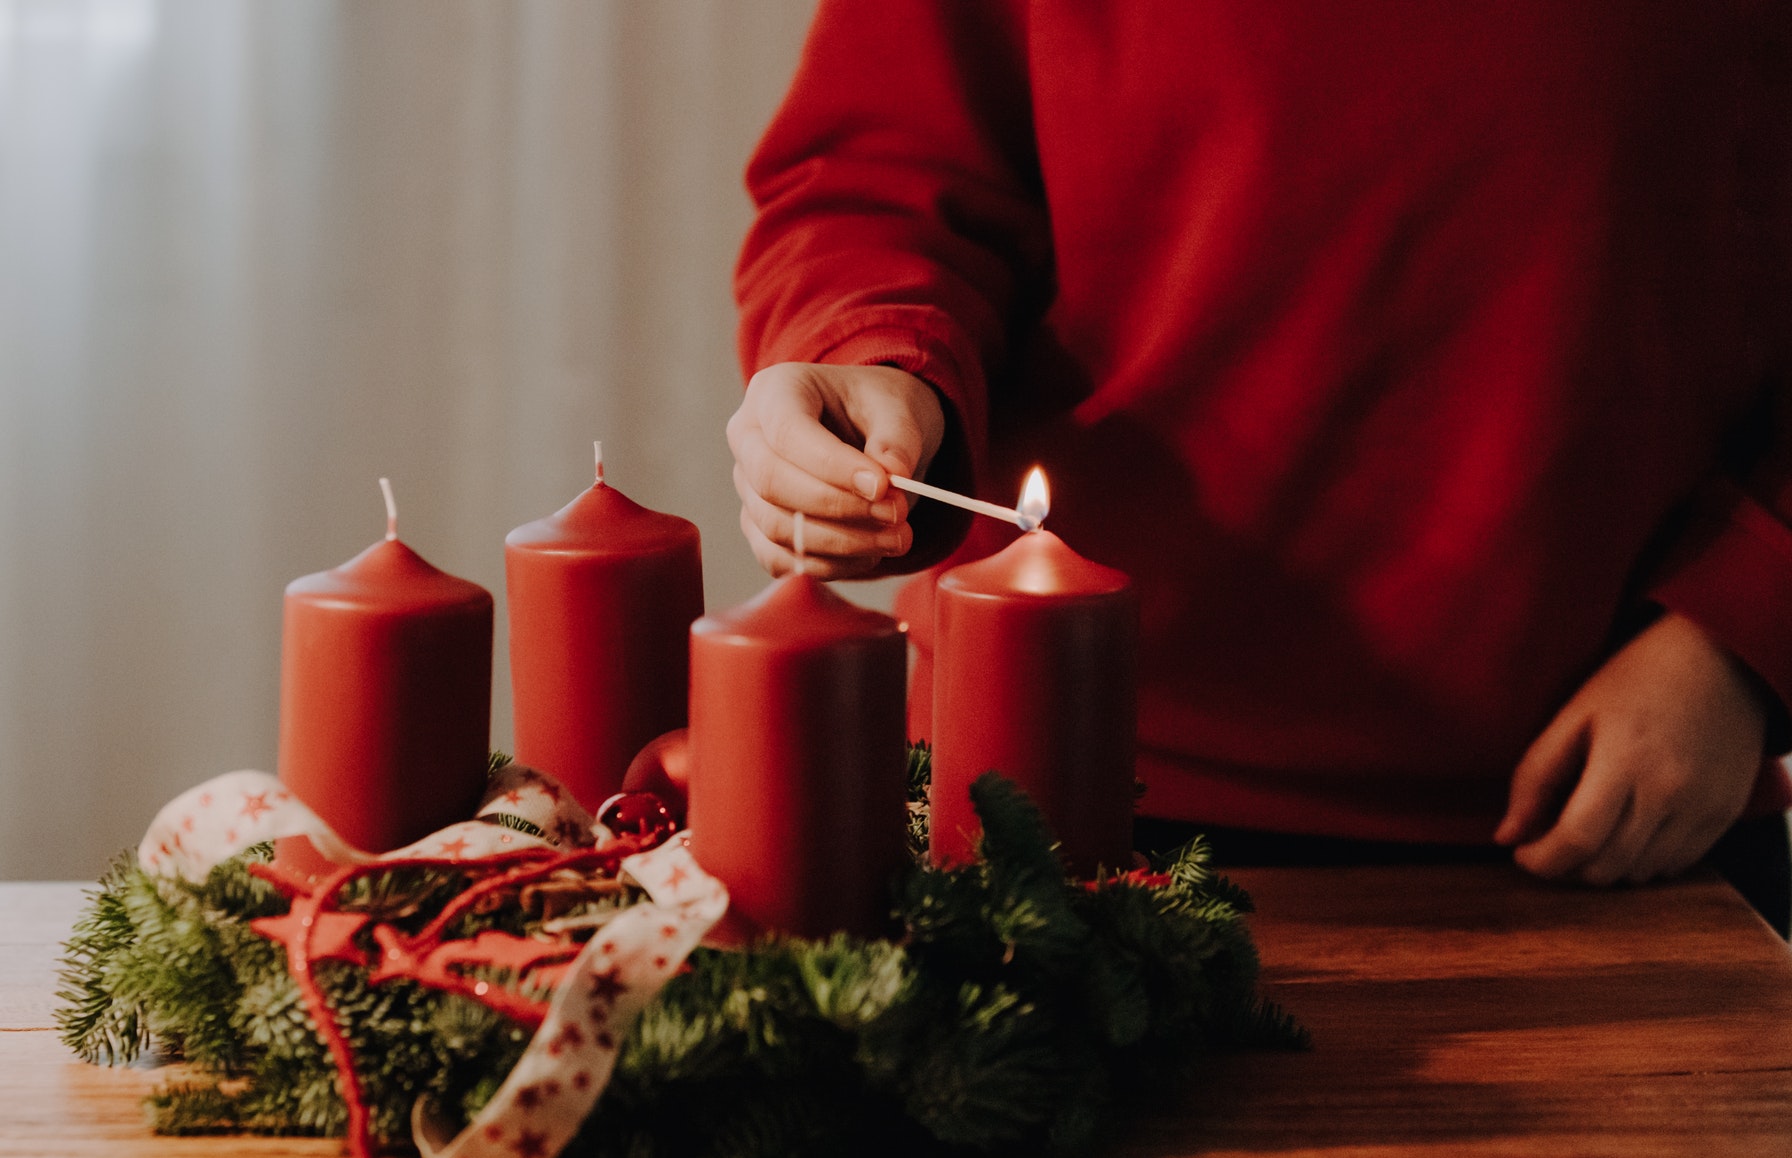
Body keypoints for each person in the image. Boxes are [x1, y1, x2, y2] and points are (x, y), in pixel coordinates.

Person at [725, 1, 1792, 930]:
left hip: (1627, 807)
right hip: (1048, 797)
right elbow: (884, 177)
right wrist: (875, 365)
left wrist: (1743, 628)